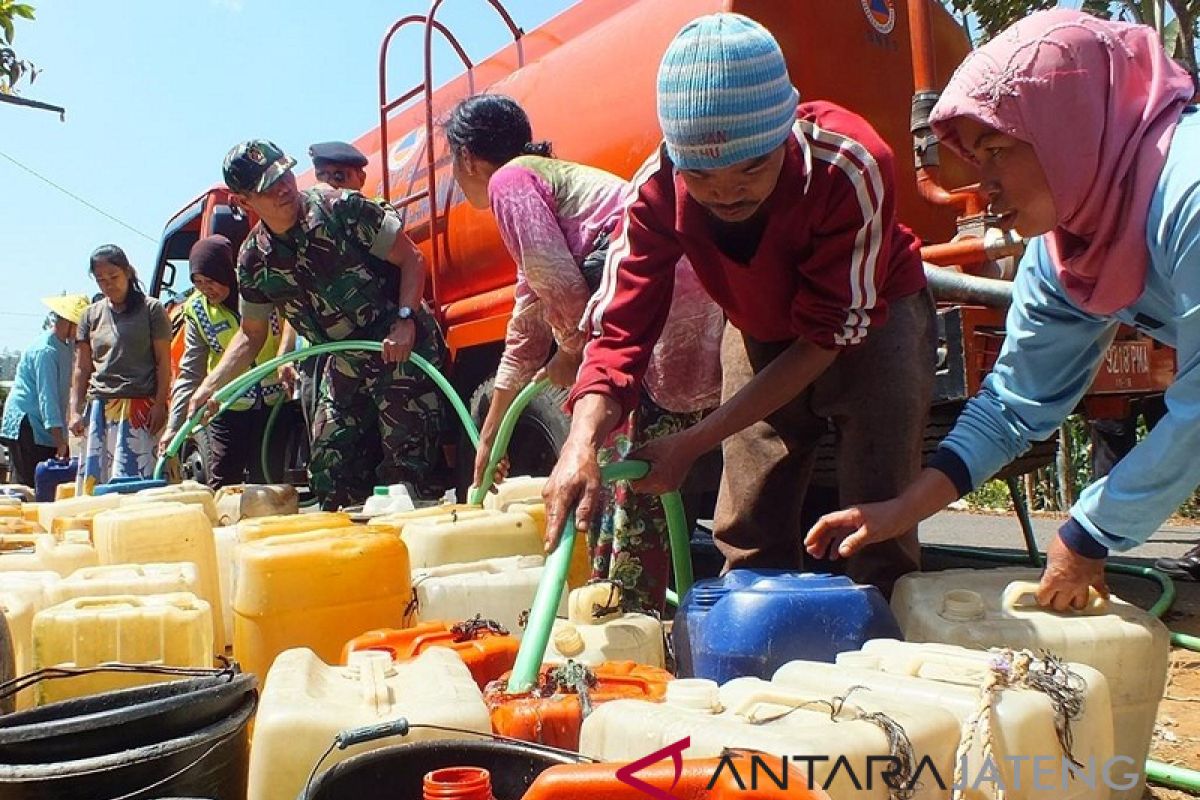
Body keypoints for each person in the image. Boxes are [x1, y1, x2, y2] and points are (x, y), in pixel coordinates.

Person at [805, 9, 1199, 608]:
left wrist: (1090, 532)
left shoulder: (1188, 197)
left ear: (1071, 126)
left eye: (995, 151)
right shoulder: (1069, 245)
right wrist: (900, 510)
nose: (980, 183)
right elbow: (1013, 406)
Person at [541, 13, 935, 596]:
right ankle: (749, 632)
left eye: (753, 166)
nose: (727, 192)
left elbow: (829, 335)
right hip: (757, 319)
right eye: (701, 176)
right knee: (748, 514)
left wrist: (691, 442)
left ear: (785, 134)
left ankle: (886, 626)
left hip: (870, 316)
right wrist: (579, 442)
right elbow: (619, 329)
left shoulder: (849, 163)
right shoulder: (655, 189)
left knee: (874, 508)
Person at [445, 94, 723, 612]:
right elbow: (529, 317)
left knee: (631, 480)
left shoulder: (510, 182)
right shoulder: (546, 183)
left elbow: (564, 292)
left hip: (652, 318)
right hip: (677, 314)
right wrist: (491, 432)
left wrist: (572, 351)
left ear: (465, 158)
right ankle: (623, 607)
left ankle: (623, 627)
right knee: (637, 482)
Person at [189, 140, 447, 510]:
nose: (284, 188)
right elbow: (251, 335)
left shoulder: (343, 209)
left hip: (397, 348)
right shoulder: (253, 261)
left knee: (404, 476)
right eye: (268, 185)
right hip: (343, 359)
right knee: (330, 469)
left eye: (285, 175)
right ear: (245, 202)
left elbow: (412, 259)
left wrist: (405, 321)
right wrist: (209, 388)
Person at [162, 235, 292, 488]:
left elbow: (292, 321)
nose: (205, 288)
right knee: (221, 479)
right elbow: (190, 373)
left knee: (265, 483)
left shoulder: (260, 290)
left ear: (226, 272)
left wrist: (283, 359)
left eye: (210, 281)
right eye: (198, 282)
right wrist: (173, 427)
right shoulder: (196, 310)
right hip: (226, 407)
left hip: (273, 404)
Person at [70, 245, 173, 492]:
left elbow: (163, 362)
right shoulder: (89, 315)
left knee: (139, 484)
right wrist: (74, 410)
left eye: (113, 277)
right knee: (101, 486)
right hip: (100, 409)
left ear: (127, 272)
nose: (108, 285)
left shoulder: (152, 310)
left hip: (140, 408)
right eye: (100, 280)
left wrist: (160, 404)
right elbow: (82, 368)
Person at [0, 295, 89, 486]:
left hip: (46, 425)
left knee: (48, 480)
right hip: (28, 422)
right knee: (28, 481)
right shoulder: (45, 351)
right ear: (68, 323)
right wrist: (59, 440)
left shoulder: (65, 347)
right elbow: (47, 397)